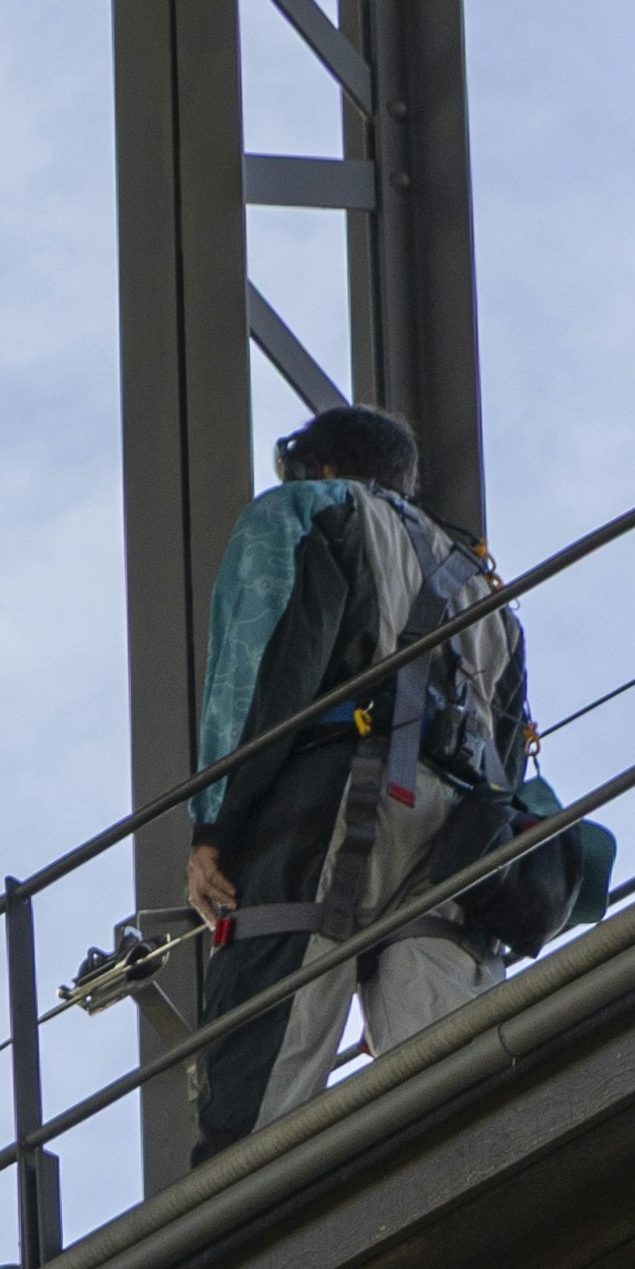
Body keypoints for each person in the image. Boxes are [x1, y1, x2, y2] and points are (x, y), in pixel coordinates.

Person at [177, 402, 518, 1153]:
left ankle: (245, 1251)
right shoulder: (485, 589)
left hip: (329, 805)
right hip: (456, 834)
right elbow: (509, 754)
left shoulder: (308, 512)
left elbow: (263, 668)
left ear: (323, 465)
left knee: (262, 1078)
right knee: (452, 1087)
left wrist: (215, 826)